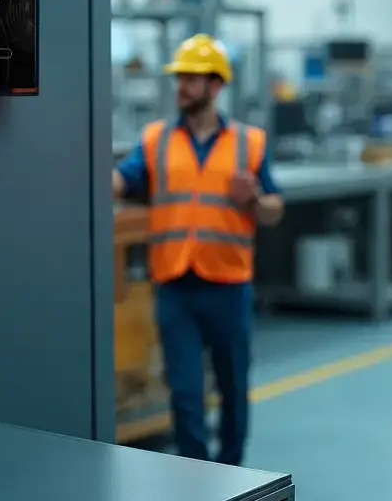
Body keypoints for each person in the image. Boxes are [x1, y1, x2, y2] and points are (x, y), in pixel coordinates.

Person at [111, 33, 284, 466]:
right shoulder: (156, 140)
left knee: (231, 389)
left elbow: (274, 209)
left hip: (228, 284)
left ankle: (231, 475)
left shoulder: (250, 142)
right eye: (179, 79)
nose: (182, 87)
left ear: (215, 85)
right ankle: (195, 479)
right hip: (175, 286)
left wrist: (255, 198)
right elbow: (123, 180)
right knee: (186, 394)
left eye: (190, 79)